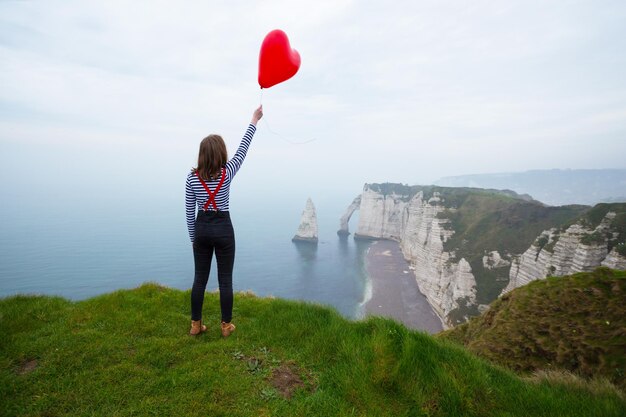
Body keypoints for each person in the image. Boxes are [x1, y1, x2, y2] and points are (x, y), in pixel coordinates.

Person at [185, 105, 263, 337]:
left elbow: (189, 212)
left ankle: (196, 326)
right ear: (220, 154)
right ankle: (226, 326)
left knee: (199, 279)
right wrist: (254, 120)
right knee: (225, 279)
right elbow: (243, 149)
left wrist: (193, 238)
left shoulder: (192, 178)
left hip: (201, 230)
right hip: (223, 230)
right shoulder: (227, 173)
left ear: (201, 154)